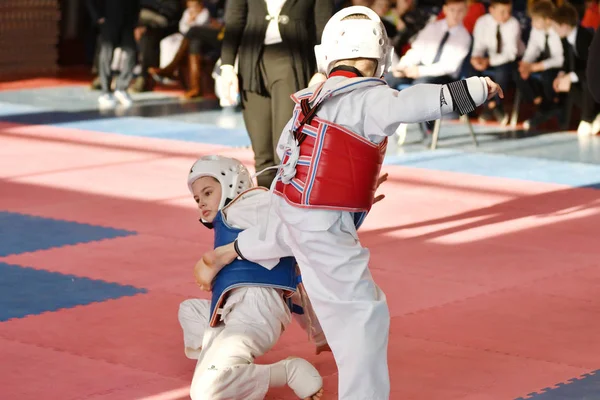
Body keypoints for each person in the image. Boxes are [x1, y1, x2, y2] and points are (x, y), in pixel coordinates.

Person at [194, 6, 503, 399]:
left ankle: (232, 250)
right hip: (321, 228)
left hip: (289, 210)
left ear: (329, 54)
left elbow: (292, 157)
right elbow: (415, 104)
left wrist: (348, 187)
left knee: (279, 237)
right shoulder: (369, 98)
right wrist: (475, 89)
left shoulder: (311, 96)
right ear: (381, 56)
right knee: (363, 319)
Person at [183, 155, 325, 400]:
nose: (201, 203)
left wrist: (335, 207)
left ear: (231, 182)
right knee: (188, 310)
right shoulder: (233, 217)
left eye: (207, 193)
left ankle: (285, 371)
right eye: (197, 199)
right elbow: (292, 281)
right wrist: (319, 332)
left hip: (256, 310)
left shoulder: (252, 203)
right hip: (232, 309)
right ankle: (222, 364)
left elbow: (293, 227)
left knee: (205, 393)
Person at [218, 0, 334, 188]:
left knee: (286, 149)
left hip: (293, 64)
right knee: (261, 153)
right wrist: (227, 66)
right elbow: (234, 21)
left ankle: (288, 208)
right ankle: (266, 209)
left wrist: (322, 69)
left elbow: (324, 25)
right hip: (252, 64)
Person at [550, 2, 600, 135]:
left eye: (556, 27)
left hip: (593, 74)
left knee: (586, 83)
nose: (554, 30)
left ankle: (588, 117)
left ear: (564, 25)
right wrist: (562, 75)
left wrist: (570, 76)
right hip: (581, 73)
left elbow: (591, 67)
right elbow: (567, 61)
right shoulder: (565, 38)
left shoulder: (584, 37)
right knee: (566, 85)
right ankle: (593, 115)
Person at [470, 0, 524, 124]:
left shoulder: (513, 23)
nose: (506, 15)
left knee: (502, 72)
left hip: (511, 59)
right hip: (489, 57)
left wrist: (488, 61)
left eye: (509, 11)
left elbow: (511, 53)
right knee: (472, 70)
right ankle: (491, 105)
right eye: (502, 12)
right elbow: (478, 46)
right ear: (492, 10)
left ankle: (491, 105)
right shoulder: (482, 22)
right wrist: (476, 58)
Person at [85, 0, 141, 108]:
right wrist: (97, 17)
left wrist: (135, 21)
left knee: (131, 52)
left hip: (127, 21)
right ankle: (105, 91)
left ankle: (121, 88)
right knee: (107, 53)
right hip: (108, 18)